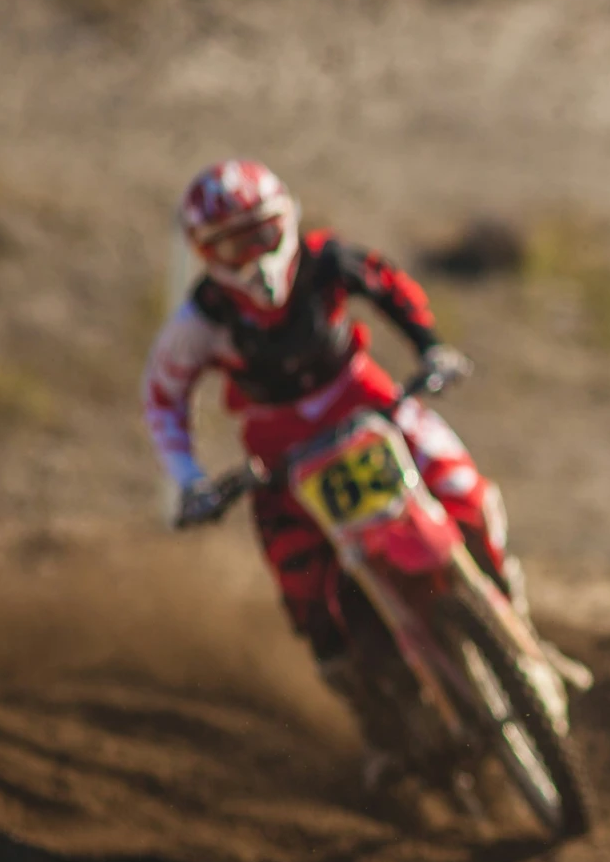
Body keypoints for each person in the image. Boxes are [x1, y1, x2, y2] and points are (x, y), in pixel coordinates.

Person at [141, 159, 502, 782]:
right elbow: (163, 397)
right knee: (304, 586)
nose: (252, 257)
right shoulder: (200, 322)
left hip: (368, 403)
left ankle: (510, 612)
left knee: (462, 488)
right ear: (206, 252)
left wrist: (431, 347)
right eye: (231, 245)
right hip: (281, 454)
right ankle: (380, 730)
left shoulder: (327, 261)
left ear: (285, 221)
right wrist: (188, 479)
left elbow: (391, 285)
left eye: (260, 234)